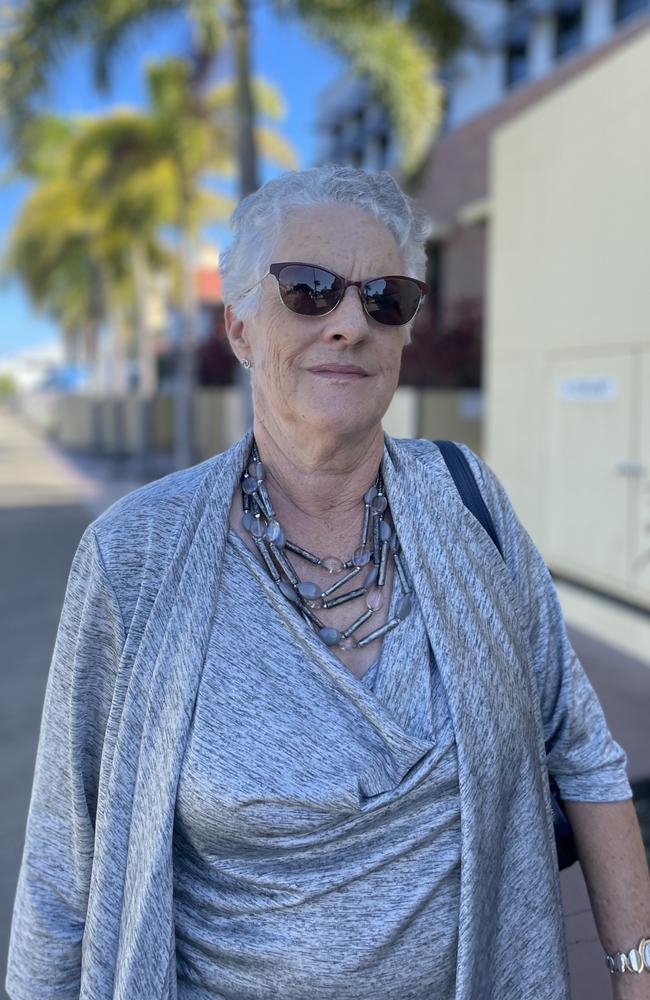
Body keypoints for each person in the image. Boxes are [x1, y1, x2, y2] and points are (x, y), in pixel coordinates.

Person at [5, 164, 650, 1000]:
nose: (350, 322)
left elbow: (583, 755)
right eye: (309, 290)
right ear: (240, 327)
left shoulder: (470, 502)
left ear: (406, 331)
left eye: (385, 297)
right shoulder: (133, 555)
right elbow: (65, 862)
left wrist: (635, 972)